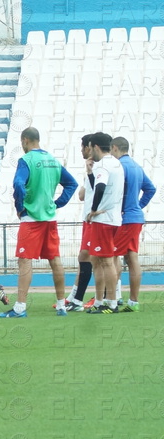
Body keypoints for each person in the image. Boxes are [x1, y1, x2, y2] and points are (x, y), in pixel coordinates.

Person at [0, 127, 78, 319]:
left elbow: (18, 184)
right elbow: (72, 183)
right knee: (55, 260)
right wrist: (57, 203)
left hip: (32, 218)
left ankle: (20, 307)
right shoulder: (52, 160)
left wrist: (20, 206)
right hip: (50, 218)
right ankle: (61, 305)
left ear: (25, 140)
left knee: (25, 261)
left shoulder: (26, 160)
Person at [111, 136, 155, 312]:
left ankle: (113, 298)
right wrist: (138, 205)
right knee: (131, 257)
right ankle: (133, 301)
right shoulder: (136, 166)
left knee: (112, 256)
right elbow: (150, 188)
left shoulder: (119, 166)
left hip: (125, 219)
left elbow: (115, 192)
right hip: (135, 217)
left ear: (114, 148)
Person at [84, 132, 125, 314]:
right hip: (114, 218)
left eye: (91, 147)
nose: (90, 150)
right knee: (98, 260)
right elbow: (100, 185)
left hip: (103, 220)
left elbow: (99, 188)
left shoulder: (103, 164)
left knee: (106, 261)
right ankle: (100, 301)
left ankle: (111, 302)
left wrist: (93, 210)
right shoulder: (116, 163)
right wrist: (90, 173)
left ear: (97, 147)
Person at [64, 134, 97, 311]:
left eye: (83, 146)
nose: (82, 150)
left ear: (90, 147)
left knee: (94, 258)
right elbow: (82, 195)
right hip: (89, 219)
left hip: (96, 219)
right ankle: (75, 297)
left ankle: (102, 297)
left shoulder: (99, 168)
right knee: (87, 258)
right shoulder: (91, 169)